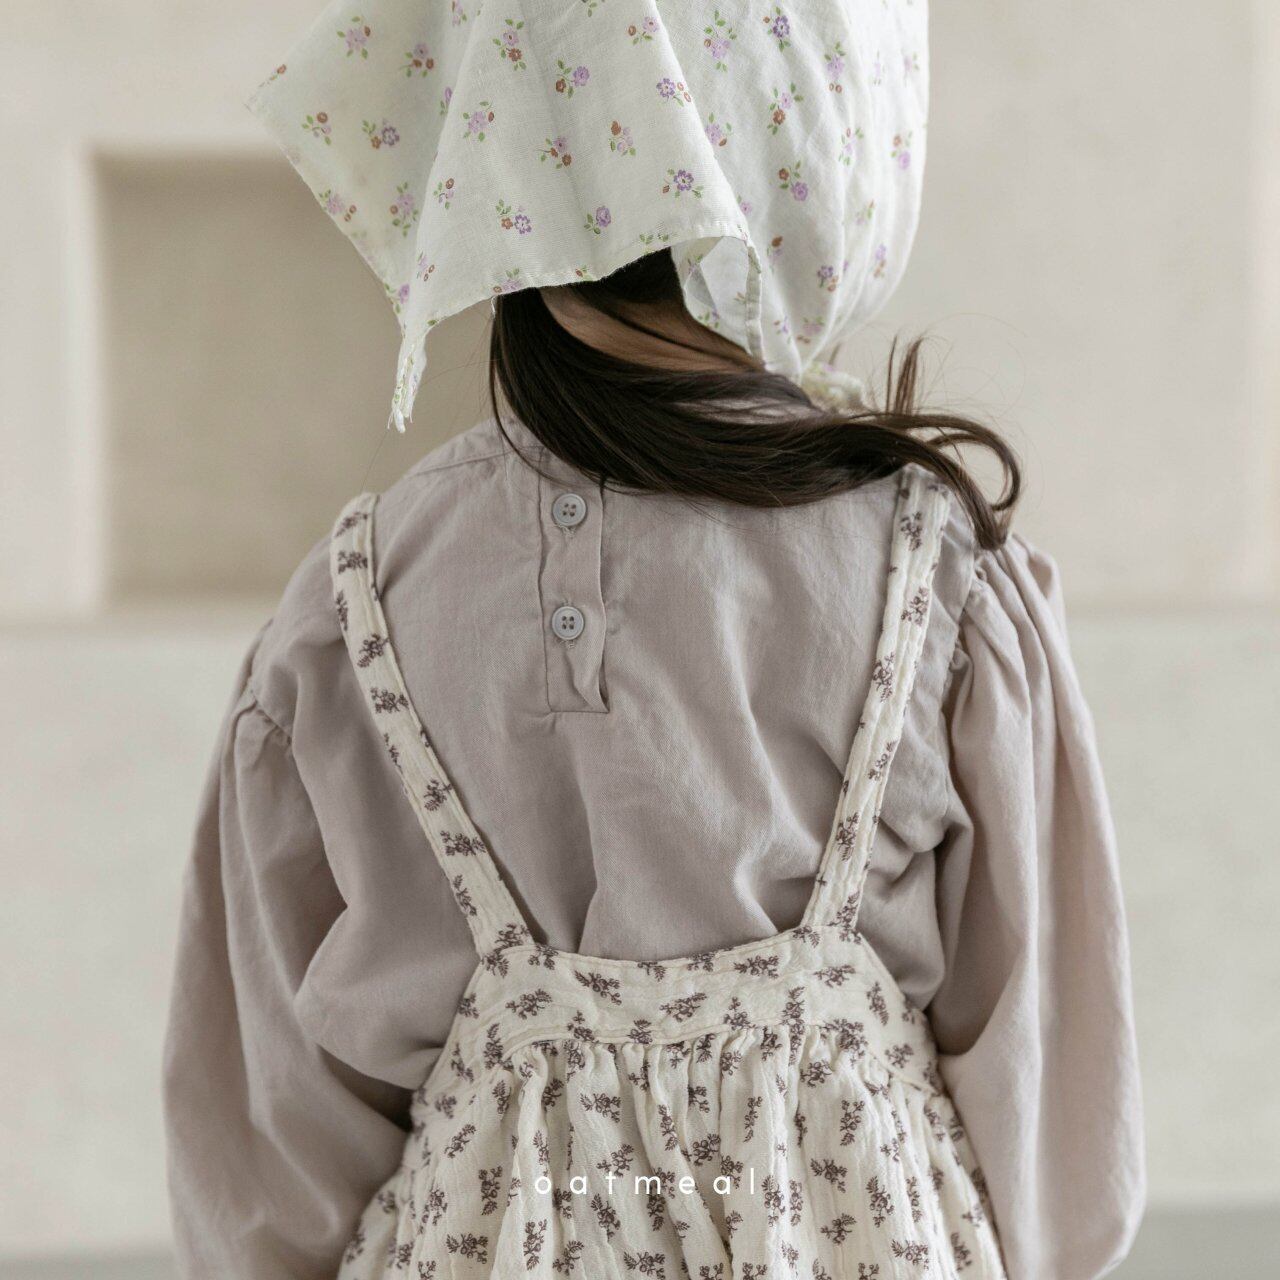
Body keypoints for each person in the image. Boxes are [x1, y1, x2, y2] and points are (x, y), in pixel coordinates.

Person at [164, 3, 1145, 1277]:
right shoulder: (933, 573)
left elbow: (270, 1144)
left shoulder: (351, 606)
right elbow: (1048, 1089)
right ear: (824, 155)